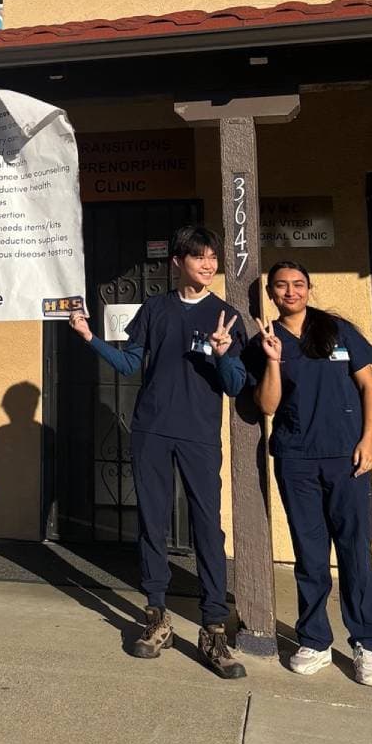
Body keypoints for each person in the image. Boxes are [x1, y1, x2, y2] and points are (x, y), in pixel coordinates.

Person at [68, 224, 248, 679]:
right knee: (151, 522)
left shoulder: (225, 315)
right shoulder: (156, 309)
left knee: (208, 526)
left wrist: (225, 353)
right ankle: (156, 617)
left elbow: (235, 386)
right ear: (177, 262)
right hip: (151, 430)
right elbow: (131, 363)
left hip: (199, 435)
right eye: (199, 257)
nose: (208, 265)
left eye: (213, 258)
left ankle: (213, 628)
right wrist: (90, 337)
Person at [247, 260, 372, 686]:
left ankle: (366, 644)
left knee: (355, 553)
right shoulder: (265, 341)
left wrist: (367, 441)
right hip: (297, 461)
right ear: (271, 294)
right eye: (282, 286)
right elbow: (267, 406)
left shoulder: (338, 331)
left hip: (347, 459)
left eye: (298, 284)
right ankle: (315, 640)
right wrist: (272, 360)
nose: (291, 291)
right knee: (310, 555)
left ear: (309, 288)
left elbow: (370, 389)